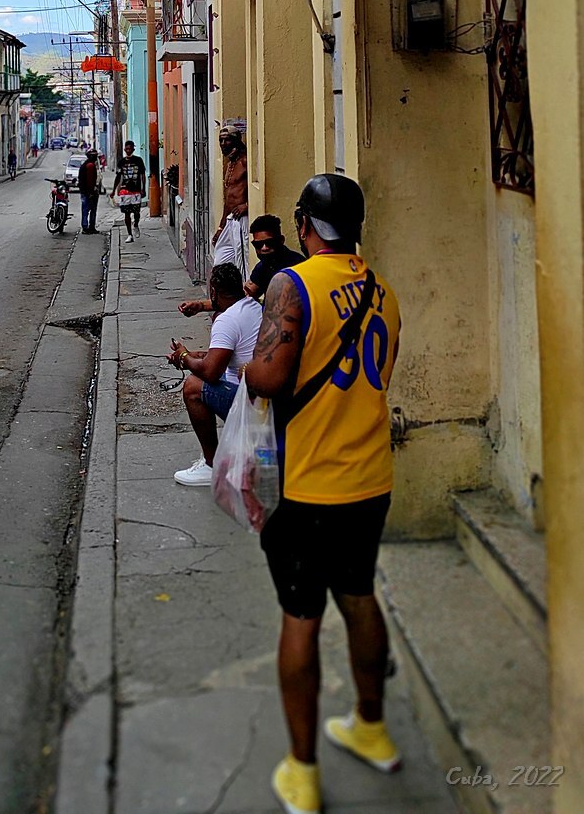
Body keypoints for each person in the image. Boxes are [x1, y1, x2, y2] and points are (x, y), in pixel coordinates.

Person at [242, 174, 402, 814]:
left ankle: (303, 773)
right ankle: (371, 727)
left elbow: (273, 377)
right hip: (372, 479)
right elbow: (378, 376)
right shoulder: (383, 292)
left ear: (305, 224)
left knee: (301, 618)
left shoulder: (294, 283)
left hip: (312, 486)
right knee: (359, 595)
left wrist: (238, 365)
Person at [167, 263, 262, 486]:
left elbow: (210, 372)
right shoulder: (253, 307)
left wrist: (184, 358)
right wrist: (190, 356)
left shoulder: (227, 320)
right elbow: (218, 357)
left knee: (192, 386)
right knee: (198, 374)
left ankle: (212, 466)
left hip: (251, 407)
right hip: (262, 398)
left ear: (213, 292)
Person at [213, 126, 250, 277]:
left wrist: (246, 206)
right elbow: (228, 200)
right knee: (220, 262)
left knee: (242, 264)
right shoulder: (229, 165)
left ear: (235, 141)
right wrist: (221, 228)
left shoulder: (245, 161)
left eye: (227, 140)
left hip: (242, 220)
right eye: (221, 140)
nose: (223, 143)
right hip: (230, 221)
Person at [243, 214, 305, 300]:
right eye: (258, 245)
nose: (264, 248)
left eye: (269, 242)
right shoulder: (262, 267)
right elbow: (249, 293)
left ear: (281, 240)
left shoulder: (297, 266)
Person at [112, 140, 147, 243]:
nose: (128, 150)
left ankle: (135, 224)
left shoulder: (138, 160)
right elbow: (118, 177)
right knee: (126, 213)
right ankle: (129, 234)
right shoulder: (121, 162)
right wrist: (114, 190)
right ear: (124, 149)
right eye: (126, 149)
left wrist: (143, 188)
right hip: (125, 191)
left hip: (136, 190)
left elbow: (142, 175)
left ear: (133, 149)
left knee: (136, 212)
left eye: (130, 149)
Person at [78, 148, 101, 234]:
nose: (96, 158)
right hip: (89, 192)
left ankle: (86, 226)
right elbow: (90, 181)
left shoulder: (85, 165)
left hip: (84, 191)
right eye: (95, 156)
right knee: (91, 210)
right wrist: (91, 192)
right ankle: (89, 227)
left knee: (85, 210)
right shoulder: (90, 166)